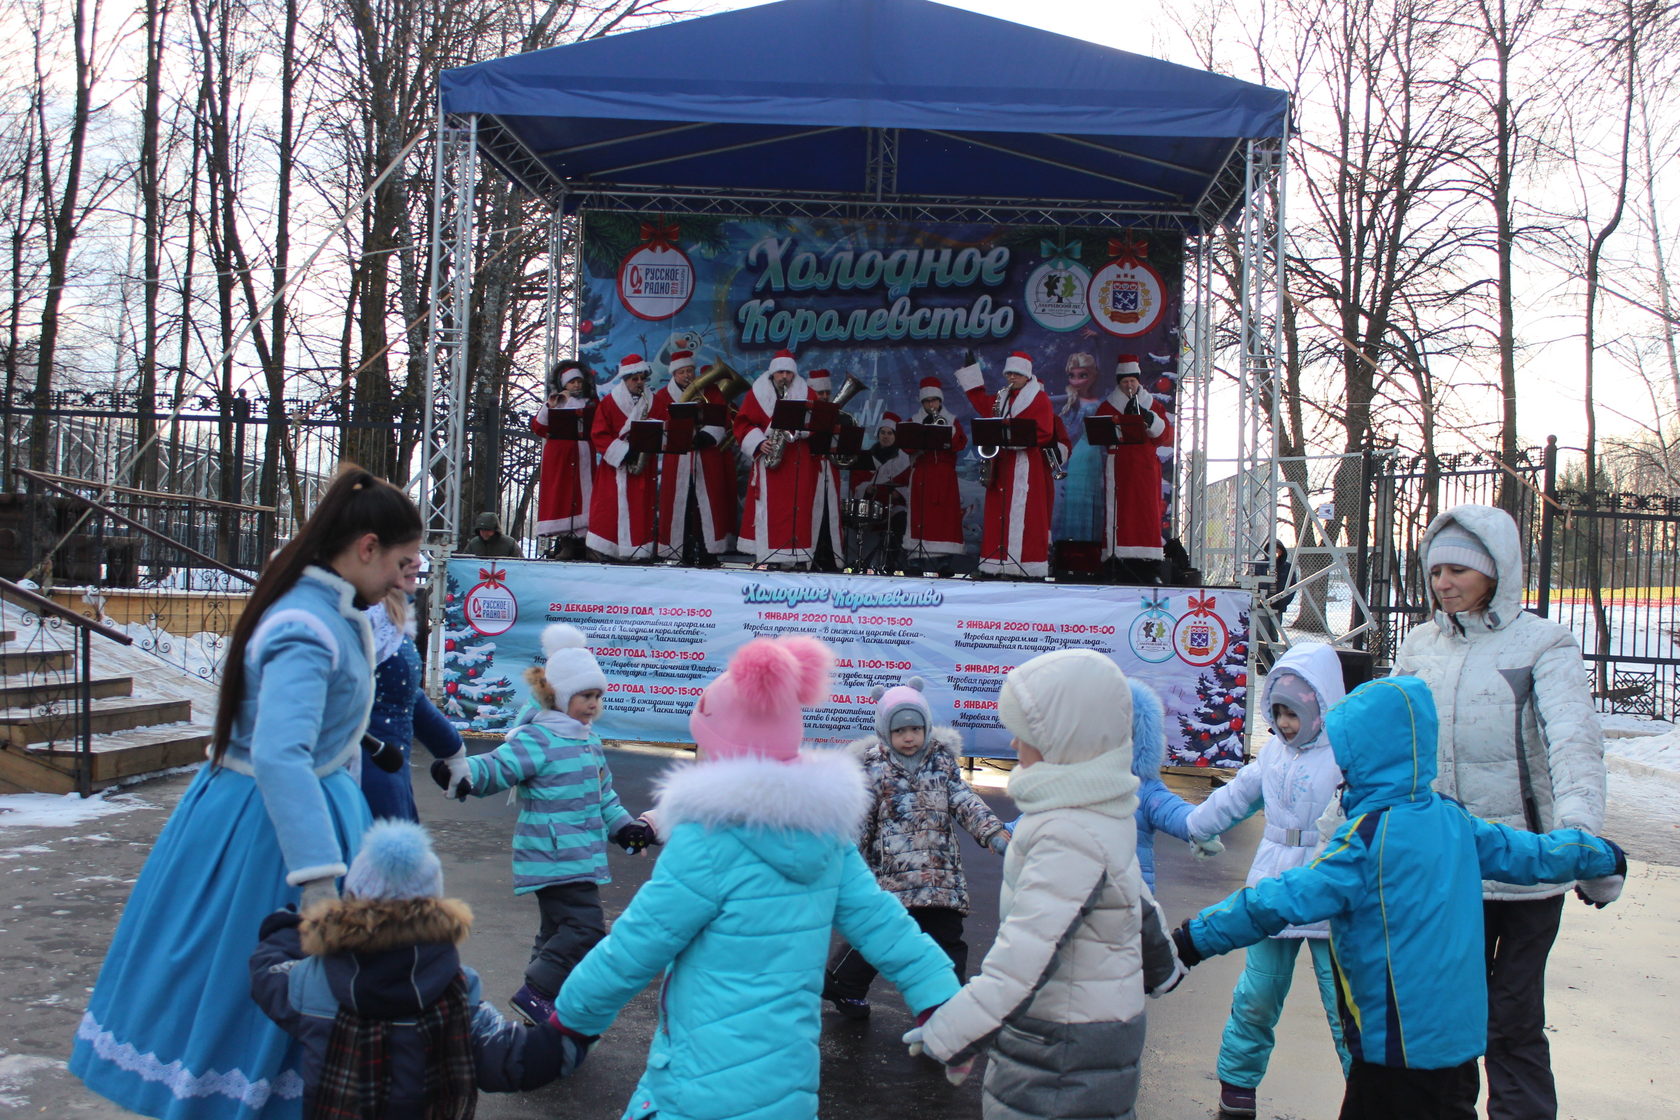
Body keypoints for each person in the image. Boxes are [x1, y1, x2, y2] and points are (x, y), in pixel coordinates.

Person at [69, 465, 423, 1120]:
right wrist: (318, 878)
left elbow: (305, 730)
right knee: (250, 983)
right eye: (402, 561)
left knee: (282, 991)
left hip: (293, 816)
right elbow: (280, 755)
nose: (407, 577)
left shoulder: (329, 608)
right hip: (270, 836)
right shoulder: (306, 625)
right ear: (366, 547)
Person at [1171, 675, 1627, 1120]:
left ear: (1361, 757)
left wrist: (1191, 941)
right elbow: (1537, 854)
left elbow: (1276, 901)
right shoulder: (1454, 820)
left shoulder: (1364, 842)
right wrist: (1604, 856)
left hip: (1392, 1050)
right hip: (1458, 1050)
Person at [554, 635, 962, 1120]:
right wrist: (940, 998)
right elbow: (883, 923)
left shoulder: (706, 841)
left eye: (702, 743)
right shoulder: (826, 836)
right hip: (787, 1093)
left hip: (697, 1091)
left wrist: (569, 1024)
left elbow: (635, 946)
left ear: (723, 752)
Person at [1391, 504, 1607, 1120]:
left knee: (1512, 1018)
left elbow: (1572, 744)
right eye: (1435, 573)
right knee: (1448, 1018)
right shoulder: (1420, 645)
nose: (1443, 585)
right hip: (1445, 868)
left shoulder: (1544, 644)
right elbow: (1386, 744)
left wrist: (1581, 839)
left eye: (1459, 570)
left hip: (1529, 869)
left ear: (1497, 570)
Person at [905, 649, 1184, 1117]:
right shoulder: (1102, 809)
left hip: (1058, 1044)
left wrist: (953, 1034)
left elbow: (1023, 958)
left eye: (1026, 734)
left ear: (1063, 742)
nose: (1013, 745)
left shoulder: (1065, 831)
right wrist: (1163, 967)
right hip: (1103, 1030)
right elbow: (1136, 900)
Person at [248, 819, 590, 1116]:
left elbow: (266, 973)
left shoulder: (313, 980)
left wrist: (292, 928)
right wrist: (578, 1025)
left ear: (349, 904)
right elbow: (517, 1060)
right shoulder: (455, 988)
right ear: (436, 912)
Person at [436, 622, 656, 1026]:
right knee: (585, 929)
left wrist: (624, 827)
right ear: (558, 696)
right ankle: (537, 992)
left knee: (556, 932)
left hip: (578, 856)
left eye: (597, 696)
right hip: (554, 855)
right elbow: (499, 766)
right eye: (584, 696)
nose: (592, 704)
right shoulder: (539, 738)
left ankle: (541, 1005)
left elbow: (603, 795)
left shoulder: (588, 741)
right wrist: (463, 774)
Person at [1183, 642, 1352, 1118]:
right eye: (1277, 713)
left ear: (1321, 706)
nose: (1284, 724)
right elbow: (1236, 796)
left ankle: (1365, 1088)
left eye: (1294, 713)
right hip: (1273, 890)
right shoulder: (1273, 757)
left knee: (1344, 1003)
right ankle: (1237, 1082)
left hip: (1329, 892)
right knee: (1256, 994)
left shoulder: (1345, 757)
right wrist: (1198, 826)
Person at [822, 677, 1009, 1019]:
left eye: (914, 729)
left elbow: (965, 801)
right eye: (899, 731)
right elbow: (861, 821)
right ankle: (842, 983)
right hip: (895, 880)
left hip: (941, 879)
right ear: (884, 732)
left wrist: (993, 832)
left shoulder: (940, 762)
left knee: (948, 942)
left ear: (926, 727)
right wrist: (841, 858)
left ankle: (948, 1005)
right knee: (883, 938)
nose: (908, 738)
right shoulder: (873, 768)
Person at [359, 575, 468, 823]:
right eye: (406, 551)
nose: (418, 562)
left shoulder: (389, 611)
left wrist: (453, 751)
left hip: (390, 768)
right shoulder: (358, 614)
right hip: (362, 773)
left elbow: (406, 694)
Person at [734, 349, 843, 569]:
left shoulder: (807, 392)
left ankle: (797, 557)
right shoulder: (756, 393)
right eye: (781, 372)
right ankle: (771, 557)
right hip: (770, 460)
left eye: (789, 373)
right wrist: (758, 442)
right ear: (773, 372)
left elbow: (818, 423)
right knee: (772, 512)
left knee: (799, 510)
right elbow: (742, 424)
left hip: (798, 462)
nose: (785, 377)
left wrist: (802, 431)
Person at [956, 349, 1056, 578]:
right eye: (1009, 373)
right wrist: (972, 374)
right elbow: (982, 403)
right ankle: (995, 564)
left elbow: (1045, 432)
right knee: (997, 514)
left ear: (1027, 376)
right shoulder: (1002, 397)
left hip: (1025, 466)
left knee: (1026, 515)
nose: (1011, 378)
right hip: (1002, 465)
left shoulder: (1039, 399)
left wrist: (1012, 437)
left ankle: (1023, 565)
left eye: (1016, 374)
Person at [1127, 676, 1218, 891]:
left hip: (1133, 898)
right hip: (1076, 897)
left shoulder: (1145, 789)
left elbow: (1174, 811)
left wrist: (1200, 826)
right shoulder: (1069, 782)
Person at [649, 350, 736, 566]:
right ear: (674, 374)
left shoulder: (710, 389)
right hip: (678, 458)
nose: (687, 375)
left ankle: (709, 551)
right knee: (680, 504)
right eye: (682, 372)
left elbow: (722, 416)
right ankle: (680, 551)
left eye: (690, 371)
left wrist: (708, 434)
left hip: (706, 455)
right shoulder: (662, 396)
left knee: (709, 504)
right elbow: (658, 423)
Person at [1097, 355, 1173, 583]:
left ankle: (1147, 563)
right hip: (1119, 467)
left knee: (1146, 513)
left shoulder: (1153, 405)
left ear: (1138, 381)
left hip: (1145, 469)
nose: (1129, 386)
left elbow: (1165, 436)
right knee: (1121, 513)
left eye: (1132, 381)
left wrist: (1150, 418)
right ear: (1118, 383)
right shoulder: (1108, 406)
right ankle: (1116, 559)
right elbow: (1099, 432)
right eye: (1124, 382)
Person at [586, 353, 659, 562]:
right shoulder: (609, 403)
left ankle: (640, 551)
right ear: (625, 380)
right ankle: (609, 551)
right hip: (616, 466)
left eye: (642, 379)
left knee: (641, 510)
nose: (639, 383)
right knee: (610, 509)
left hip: (643, 467)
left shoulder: (654, 401)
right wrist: (624, 452)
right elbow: (598, 434)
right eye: (634, 379)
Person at [901, 375, 968, 569]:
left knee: (945, 518)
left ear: (940, 401)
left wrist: (947, 429)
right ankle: (917, 557)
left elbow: (960, 444)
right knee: (922, 517)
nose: (932, 404)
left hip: (945, 475)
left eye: (935, 400)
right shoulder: (913, 420)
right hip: (924, 472)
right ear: (923, 402)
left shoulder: (952, 420)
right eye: (928, 401)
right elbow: (906, 446)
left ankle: (945, 558)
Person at [531, 360, 595, 560]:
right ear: (564, 384)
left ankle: (585, 543)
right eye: (572, 382)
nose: (576, 385)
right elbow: (539, 427)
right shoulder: (556, 401)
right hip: (560, 457)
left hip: (583, 453)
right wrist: (552, 404)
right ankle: (567, 542)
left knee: (585, 496)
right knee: (563, 496)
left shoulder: (591, 404)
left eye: (579, 382)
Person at [1053, 350, 1106, 543]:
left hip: (1095, 456)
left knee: (1093, 502)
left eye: (1082, 375)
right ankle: (1073, 546)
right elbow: (1069, 432)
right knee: (1077, 502)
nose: (1076, 380)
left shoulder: (1098, 401)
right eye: (1072, 376)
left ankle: (1089, 548)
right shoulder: (1070, 403)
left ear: (1093, 376)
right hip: (1080, 457)